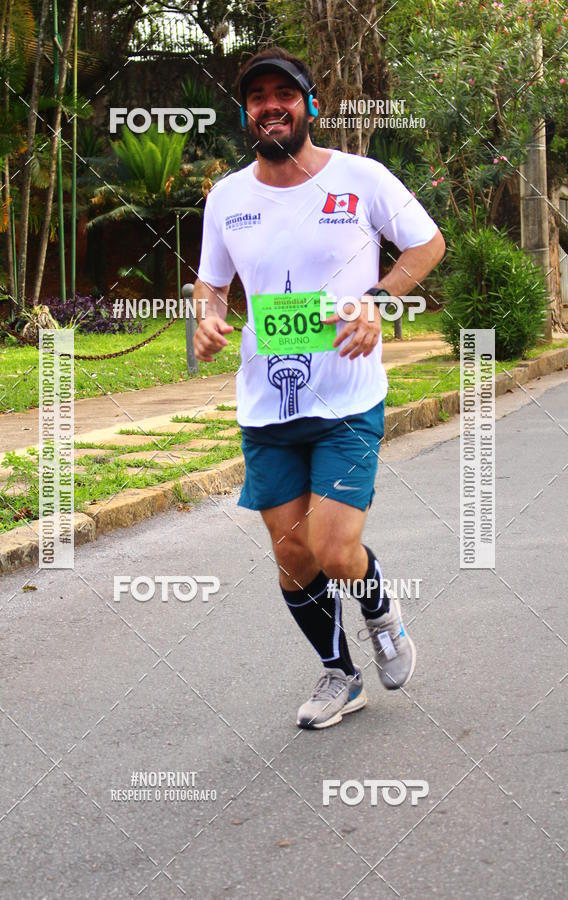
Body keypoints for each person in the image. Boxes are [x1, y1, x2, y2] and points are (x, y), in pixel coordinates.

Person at [193, 46, 445, 729]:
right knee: (293, 555)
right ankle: (341, 674)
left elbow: (427, 244)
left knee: (334, 550)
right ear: (246, 114)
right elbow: (211, 283)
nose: (271, 106)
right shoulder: (228, 197)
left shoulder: (361, 178)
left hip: (347, 398)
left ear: (307, 104)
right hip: (267, 405)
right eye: (257, 97)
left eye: (284, 94)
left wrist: (378, 301)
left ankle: (379, 609)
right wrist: (207, 318)